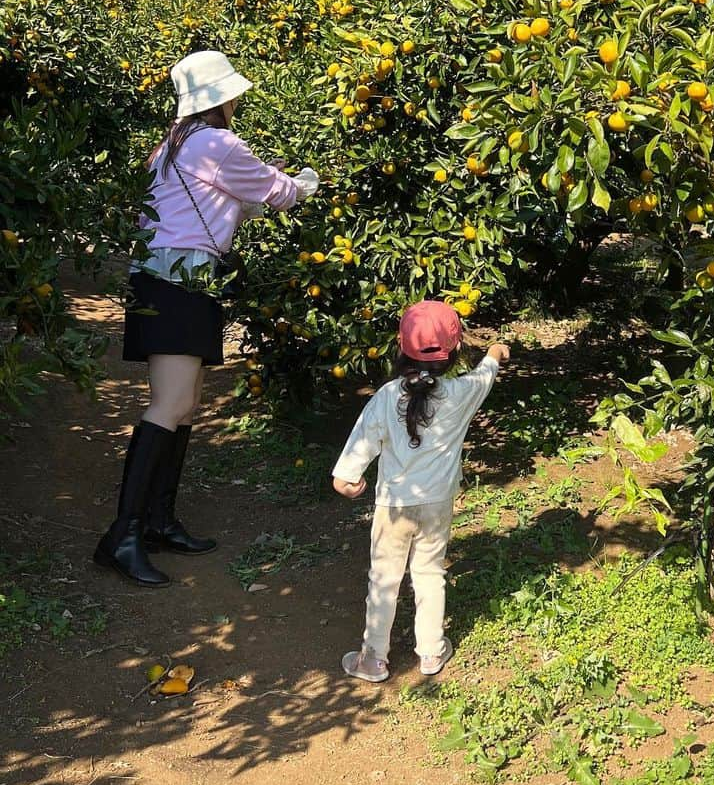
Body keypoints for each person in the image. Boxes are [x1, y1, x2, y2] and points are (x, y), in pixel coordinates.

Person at [94, 50, 320, 588]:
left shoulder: (172, 146)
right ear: (222, 96)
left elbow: (227, 201)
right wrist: (305, 183)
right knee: (170, 404)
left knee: (187, 404)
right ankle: (121, 535)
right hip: (181, 283)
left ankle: (158, 521)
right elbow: (275, 191)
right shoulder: (217, 143)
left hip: (173, 280)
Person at [332, 300, 510, 681]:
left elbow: (361, 443)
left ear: (400, 345)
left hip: (393, 507)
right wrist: (494, 352)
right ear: (456, 349)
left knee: (383, 578)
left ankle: (373, 659)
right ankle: (430, 652)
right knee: (430, 572)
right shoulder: (462, 393)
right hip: (437, 503)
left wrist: (346, 477)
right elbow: (486, 375)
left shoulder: (386, 396)